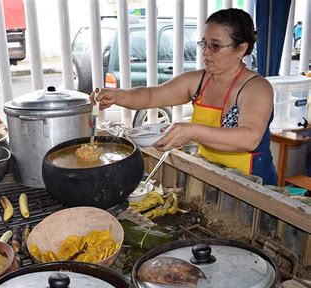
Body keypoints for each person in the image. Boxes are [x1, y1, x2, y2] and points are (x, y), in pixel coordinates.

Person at [94, 8, 278, 185]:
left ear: (241, 49)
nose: (205, 51)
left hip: (252, 182)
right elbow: (150, 96)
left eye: (215, 45)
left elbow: (249, 139)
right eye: (204, 43)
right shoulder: (198, 80)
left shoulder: (256, 88)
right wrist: (117, 96)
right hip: (211, 172)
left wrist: (192, 131)